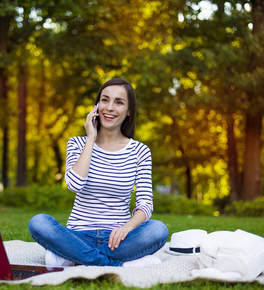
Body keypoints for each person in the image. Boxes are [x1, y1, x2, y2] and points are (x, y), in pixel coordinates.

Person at [28, 78, 169, 267]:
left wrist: (127, 228)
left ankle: (72, 257)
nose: (109, 107)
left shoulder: (140, 151)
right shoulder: (77, 144)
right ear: (96, 106)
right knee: (39, 223)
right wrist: (91, 139)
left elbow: (145, 204)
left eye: (118, 102)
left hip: (118, 239)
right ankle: (116, 265)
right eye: (105, 100)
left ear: (128, 111)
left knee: (158, 230)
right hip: (77, 235)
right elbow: (74, 184)